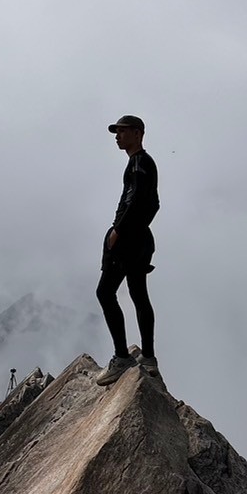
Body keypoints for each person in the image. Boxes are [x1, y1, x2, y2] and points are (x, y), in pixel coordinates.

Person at [95, 115, 160, 385]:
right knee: (138, 294)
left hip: (127, 241)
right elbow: (153, 204)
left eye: (122, 131)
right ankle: (148, 357)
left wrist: (118, 230)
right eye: (116, 132)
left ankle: (122, 357)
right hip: (140, 240)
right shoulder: (140, 163)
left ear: (137, 133)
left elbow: (136, 201)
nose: (117, 136)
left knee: (105, 292)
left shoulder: (139, 163)